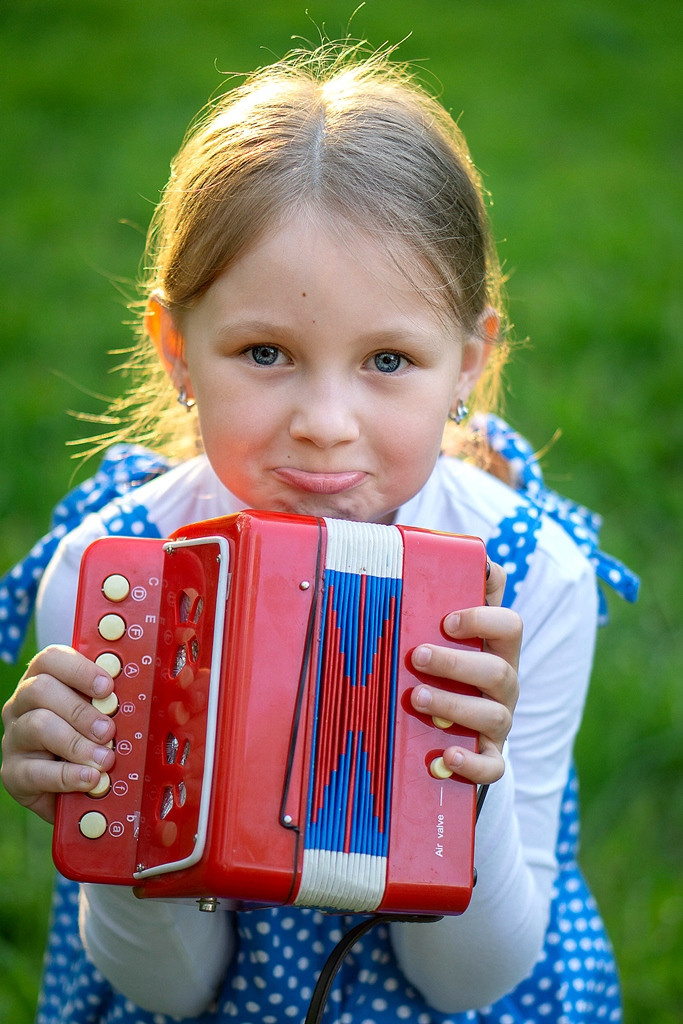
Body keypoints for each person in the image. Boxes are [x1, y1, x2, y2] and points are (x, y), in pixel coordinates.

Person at [0, 43, 638, 1024]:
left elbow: (469, 981)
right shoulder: (113, 577)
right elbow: (167, 987)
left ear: (467, 361)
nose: (325, 422)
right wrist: (112, 833)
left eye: (387, 358)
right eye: (266, 352)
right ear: (177, 350)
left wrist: (476, 780)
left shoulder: (524, 580)